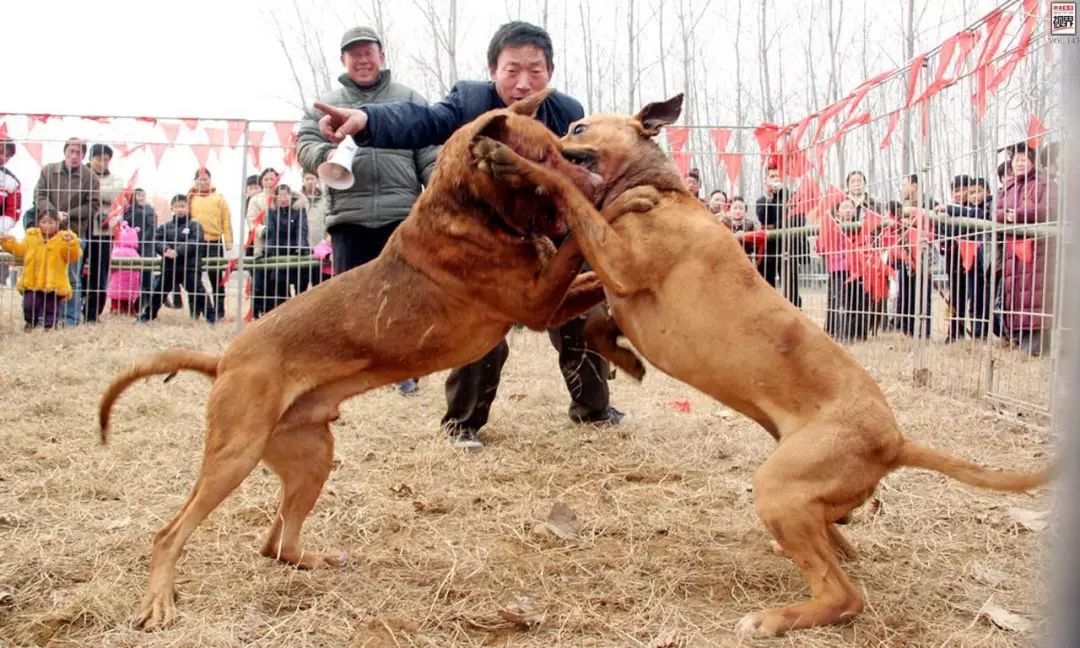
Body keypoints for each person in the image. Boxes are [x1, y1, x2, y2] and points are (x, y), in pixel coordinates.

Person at [313, 21, 626, 449]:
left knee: (583, 316)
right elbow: (422, 120)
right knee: (481, 327)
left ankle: (594, 409)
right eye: (511, 69)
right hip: (485, 246)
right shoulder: (471, 103)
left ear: (549, 73)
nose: (522, 83)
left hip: (550, 231)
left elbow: (584, 173)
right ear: (492, 70)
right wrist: (367, 119)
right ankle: (462, 423)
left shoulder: (567, 113)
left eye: (535, 71)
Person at [298, 26, 438, 397]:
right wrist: (324, 156)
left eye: (368, 52)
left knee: (403, 296)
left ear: (382, 56)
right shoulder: (326, 103)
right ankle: (353, 369)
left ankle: (403, 370)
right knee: (349, 299)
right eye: (353, 53)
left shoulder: (407, 98)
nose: (362, 59)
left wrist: (437, 189)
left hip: (401, 214)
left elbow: (429, 151)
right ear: (343, 60)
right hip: (348, 213)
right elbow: (304, 145)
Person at [995, 143, 1057, 355]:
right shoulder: (1009, 188)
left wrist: (1019, 216)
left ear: (1033, 161)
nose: (1020, 163)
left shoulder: (1044, 184)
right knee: (1016, 299)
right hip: (1014, 254)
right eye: (1016, 159)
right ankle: (1020, 344)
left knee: (1036, 299)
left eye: (1024, 159)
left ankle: (1036, 348)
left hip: (1039, 251)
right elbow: (997, 213)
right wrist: (1009, 216)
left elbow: (1050, 209)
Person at [35, 137, 101, 326]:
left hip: (74, 233)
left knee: (72, 277)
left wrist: (68, 215)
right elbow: (39, 195)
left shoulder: (90, 178)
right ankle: (42, 318)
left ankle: (70, 319)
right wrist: (53, 215)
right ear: (64, 151)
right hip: (47, 231)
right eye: (71, 151)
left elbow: (92, 206)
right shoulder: (48, 171)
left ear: (83, 155)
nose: (74, 156)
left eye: (78, 152)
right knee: (44, 274)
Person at [1, 208, 81, 330]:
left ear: (57, 224)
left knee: (51, 307)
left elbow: (73, 256)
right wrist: (8, 242)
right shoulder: (31, 236)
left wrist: (71, 243)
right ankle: (30, 323)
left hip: (54, 282)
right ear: (38, 222)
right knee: (29, 305)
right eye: (43, 222)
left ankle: (49, 327)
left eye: (51, 222)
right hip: (32, 280)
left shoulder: (63, 238)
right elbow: (20, 249)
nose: (47, 226)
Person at [140, 195, 216, 323]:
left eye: (182, 206)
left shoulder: (195, 226)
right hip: (169, 267)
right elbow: (157, 241)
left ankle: (211, 318)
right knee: (158, 293)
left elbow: (195, 242)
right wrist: (166, 250)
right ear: (172, 208)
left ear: (187, 207)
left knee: (199, 293)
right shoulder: (165, 227)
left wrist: (178, 252)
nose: (180, 209)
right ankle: (146, 317)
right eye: (176, 206)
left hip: (189, 266)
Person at [82, 143, 125, 323]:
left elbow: (115, 195)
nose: (101, 163)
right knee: (76, 272)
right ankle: (73, 311)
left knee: (100, 274)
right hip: (81, 229)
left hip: (103, 232)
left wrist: (91, 191)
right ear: (90, 159)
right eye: (98, 159)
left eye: (105, 159)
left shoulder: (115, 180)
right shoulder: (79, 176)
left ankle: (92, 314)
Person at [187, 168, 232, 320]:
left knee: (216, 279)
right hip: (195, 242)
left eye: (206, 179)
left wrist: (228, 241)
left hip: (214, 242)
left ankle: (219, 311)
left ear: (210, 180)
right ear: (195, 181)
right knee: (194, 278)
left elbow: (226, 220)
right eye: (200, 179)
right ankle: (195, 312)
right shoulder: (190, 198)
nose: (203, 182)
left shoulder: (219, 198)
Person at [756, 165, 804, 307]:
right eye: (772, 176)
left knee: (791, 290)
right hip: (769, 250)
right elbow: (763, 219)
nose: (776, 179)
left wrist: (773, 226)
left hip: (789, 248)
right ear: (766, 180)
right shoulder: (762, 200)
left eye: (778, 176)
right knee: (767, 287)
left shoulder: (794, 198)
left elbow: (798, 220)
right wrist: (769, 197)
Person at [263, 183, 310, 313]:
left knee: (301, 284)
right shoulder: (272, 211)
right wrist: (269, 249)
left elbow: (302, 229)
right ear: (275, 198)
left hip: (297, 252)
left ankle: (300, 312)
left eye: (285, 195)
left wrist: (301, 247)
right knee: (280, 285)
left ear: (290, 196)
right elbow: (271, 232)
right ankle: (285, 313)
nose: (283, 199)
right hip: (279, 253)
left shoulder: (299, 210)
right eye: (280, 196)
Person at [121, 188, 158, 313]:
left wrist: (140, 240)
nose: (140, 198)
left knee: (145, 277)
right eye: (137, 195)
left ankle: (144, 303)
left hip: (146, 247)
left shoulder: (150, 210)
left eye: (142, 195)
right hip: (130, 247)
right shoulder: (128, 210)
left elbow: (152, 228)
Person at [106, 221, 143, 316]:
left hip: (116, 283)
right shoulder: (134, 253)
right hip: (131, 284)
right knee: (128, 297)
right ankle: (129, 310)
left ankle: (115, 309)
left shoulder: (116, 251)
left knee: (116, 297)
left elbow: (111, 267)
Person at [0, 138, 21, 287]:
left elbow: (13, 212)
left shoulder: (11, 181)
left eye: (6, 155)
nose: (2, 157)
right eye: (1, 152)